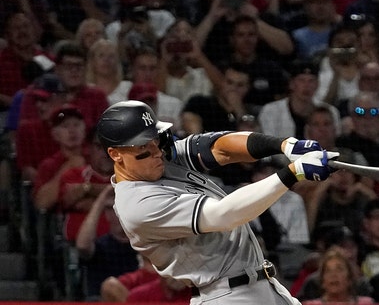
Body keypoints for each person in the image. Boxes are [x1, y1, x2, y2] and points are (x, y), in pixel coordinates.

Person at [96, 100, 338, 304]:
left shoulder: (158, 159)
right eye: (144, 147)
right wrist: (292, 173)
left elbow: (218, 147)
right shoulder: (137, 205)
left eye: (156, 140)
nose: (157, 151)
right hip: (226, 295)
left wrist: (284, 145)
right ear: (116, 154)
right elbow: (225, 215)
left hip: (264, 284)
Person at [301, 248, 374, 305]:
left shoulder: (367, 303)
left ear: (350, 278)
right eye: (328, 270)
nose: (333, 275)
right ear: (322, 281)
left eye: (339, 269)